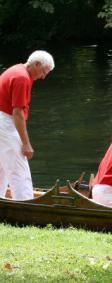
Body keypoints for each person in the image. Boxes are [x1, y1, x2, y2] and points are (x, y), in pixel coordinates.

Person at [0, 51, 54, 199]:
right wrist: (26, 144)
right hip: (5, 123)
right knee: (19, 169)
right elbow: (17, 113)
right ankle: (25, 206)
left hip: (2, 121)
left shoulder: (17, 70)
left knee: (3, 167)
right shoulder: (22, 78)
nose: (43, 77)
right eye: (44, 72)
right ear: (36, 64)